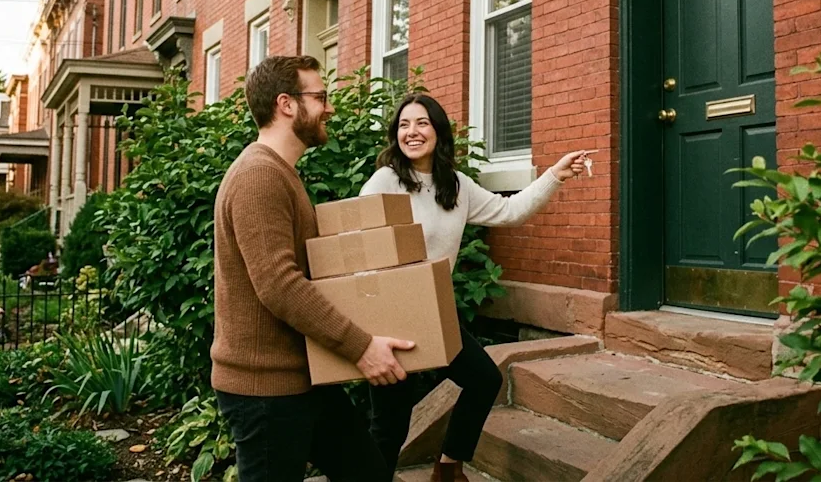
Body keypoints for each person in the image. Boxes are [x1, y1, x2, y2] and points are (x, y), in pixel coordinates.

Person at [361, 93, 591, 482]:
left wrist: (555, 174)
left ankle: (448, 465)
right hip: (394, 314)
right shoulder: (387, 180)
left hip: (435, 310)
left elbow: (510, 211)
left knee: (484, 379)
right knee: (390, 425)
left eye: (421, 123)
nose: (412, 132)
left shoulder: (456, 185)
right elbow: (361, 241)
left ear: (438, 131)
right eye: (403, 125)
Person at [212, 55, 417, 482]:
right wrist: (360, 346)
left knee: (368, 473)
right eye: (320, 97)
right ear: (287, 104)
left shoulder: (280, 173)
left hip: (301, 380)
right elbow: (279, 285)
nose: (329, 108)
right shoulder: (259, 176)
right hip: (265, 390)